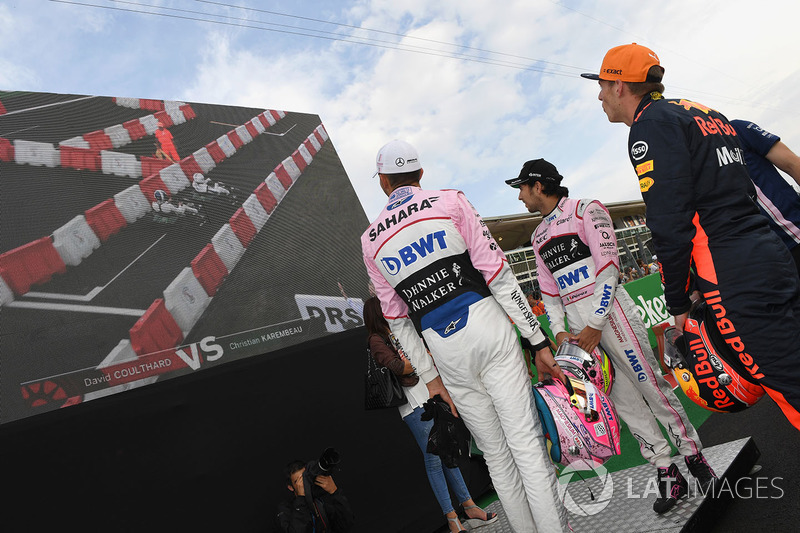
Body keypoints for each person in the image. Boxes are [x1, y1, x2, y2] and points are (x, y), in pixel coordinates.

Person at [581, 43, 800, 432]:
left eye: (601, 84)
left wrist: (678, 302)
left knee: (786, 385)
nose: (598, 95)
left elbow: (669, 223)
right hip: (768, 253)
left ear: (619, 85)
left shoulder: (650, 125)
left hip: (730, 269)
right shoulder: (704, 112)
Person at [361, 140, 569, 533]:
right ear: (420, 174)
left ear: (384, 182)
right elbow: (499, 275)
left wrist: (432, 379)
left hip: (445, 352)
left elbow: (397, 322)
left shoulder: (370, 239)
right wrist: (537, 341)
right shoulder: (451, 200)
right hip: (489, 329)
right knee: (526, 447)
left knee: (496, 457)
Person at [507, 158, 714, 513]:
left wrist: (595, 323)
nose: (521, 197)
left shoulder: (588, 209)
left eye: (523, 188)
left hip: (611, 317)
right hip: (578, 333)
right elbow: (549, 294)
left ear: (538, 185)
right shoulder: (537, 237)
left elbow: (610, 266)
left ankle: (695, 459)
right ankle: (667, 472)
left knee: (651, 386)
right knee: (621, 403)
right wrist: (559, 333)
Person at [362, 297, 497, 533]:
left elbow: (417, 359)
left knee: (446, 453)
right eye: (385, 309)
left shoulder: (397, 332)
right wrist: (419, 359)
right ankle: (452, 518)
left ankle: (469, 506)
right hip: (413, 406)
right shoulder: (376, 339)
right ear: (378, 313)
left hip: (427, 395)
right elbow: (399, 367)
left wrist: (418, 359)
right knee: (434, 460)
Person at [730, 120, 800, 275]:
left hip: (794, 232)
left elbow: (792, 163)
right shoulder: (688, 164)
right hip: (763, 261)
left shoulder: (736, 129)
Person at [276, 459, 355, 533]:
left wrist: (334, 492)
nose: (304, 483)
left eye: (305, 478)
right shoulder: (285, 508)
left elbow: (346, 524)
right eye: (299, 481)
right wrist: (301, 499)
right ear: (290, 487)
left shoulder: (319, 501)